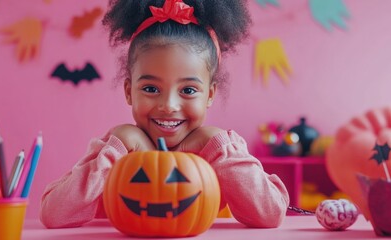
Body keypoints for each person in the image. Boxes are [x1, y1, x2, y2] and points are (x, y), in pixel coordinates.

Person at [40, 0, 289, 229]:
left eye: (188, 90)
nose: (168, 105)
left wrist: (217, 143)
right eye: (151, 89)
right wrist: (117, 146)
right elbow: (53, 214)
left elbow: (271, 213)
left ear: (210, 94)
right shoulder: (115, 151)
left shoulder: (217, 152)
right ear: (129, 91)